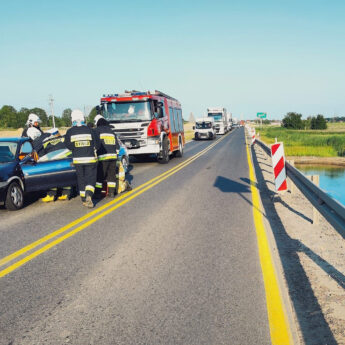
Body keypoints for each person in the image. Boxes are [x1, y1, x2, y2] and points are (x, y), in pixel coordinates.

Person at [64, 110, 100, 208]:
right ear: (83, 118)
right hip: (90, 160)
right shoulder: (90, 130)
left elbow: (67, 145)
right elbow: (97, 144)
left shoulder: (70, 131)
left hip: (78, 161)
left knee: (81, 179)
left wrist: (75, 148)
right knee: (91, 179)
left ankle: (84, 199)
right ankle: (89, 194)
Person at [41, 128, 72, 202]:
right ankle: (66, 194)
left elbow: (43, 154)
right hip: (64, 161)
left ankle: (51, 195)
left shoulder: (46, 142)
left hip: (52, 163)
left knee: (52, 178)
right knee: (66, 177)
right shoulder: (64, 139)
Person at [93, 114, 118, 197]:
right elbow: (117, 146)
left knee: (100, 175)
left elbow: (95, 143)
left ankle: (98, 193)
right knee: (111, 175)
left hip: (103, 157)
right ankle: (111, 192)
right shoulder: (111, 131)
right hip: (113, 157)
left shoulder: (97, 130)